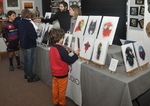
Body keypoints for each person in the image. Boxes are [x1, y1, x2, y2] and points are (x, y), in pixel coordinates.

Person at [48, 28, 80, 106]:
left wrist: (66, 52)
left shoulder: (52, 47)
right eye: (62, 37)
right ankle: (62, 103)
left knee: (55, 88)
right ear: (60, 39)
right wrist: (76, 54)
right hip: (62, 73)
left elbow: (59, 56)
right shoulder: (61, 50)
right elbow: (69, 60)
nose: (63, 39)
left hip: (54, 73)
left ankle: (55, 102)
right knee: (62, 90)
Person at [13, 9, 40, 82]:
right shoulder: (28, 24)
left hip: (23, 43)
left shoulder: (20, 21)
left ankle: (27, 73)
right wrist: (36, 32)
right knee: (29, 61)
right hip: (29, 44)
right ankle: (30, 76)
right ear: (29, 15)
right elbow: (33, 36)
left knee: (26, 60)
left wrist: (20, 16)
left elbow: (15, 21)